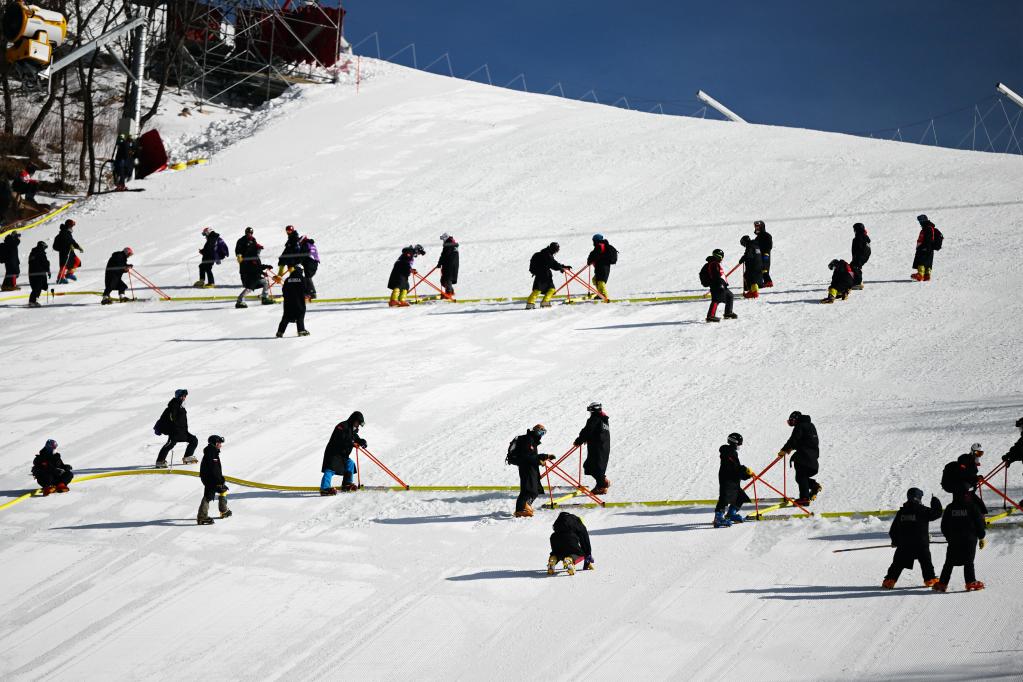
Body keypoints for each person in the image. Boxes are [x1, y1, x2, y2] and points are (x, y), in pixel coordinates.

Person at [881, 488, 943, 589]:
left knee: (897, 563)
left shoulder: (902, 512)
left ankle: (889, 581)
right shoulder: (923, 510)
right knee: (926, 562)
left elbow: (893, 530)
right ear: (919, 498)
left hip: (904, 544)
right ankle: (930, 579)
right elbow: (937, 513)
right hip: (921, 544)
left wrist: (895, 541)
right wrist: (935, 501)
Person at [934, 494, 987, 592]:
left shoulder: (950, 507)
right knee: (969, 561)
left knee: (949, 562)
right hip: (969, 539)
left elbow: (944, 525)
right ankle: (970, 582)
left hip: (954, 539)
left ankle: (942, 583)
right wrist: (981, 537)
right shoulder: (973, 507)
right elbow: (979, 524)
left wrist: (949, 537)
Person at [509, 424, 556, 517]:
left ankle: (524, 507)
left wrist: (546, 456)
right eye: (540, 432)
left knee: (532, 489)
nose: (541, 435)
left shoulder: (532, 440)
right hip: (526, 467)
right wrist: (539, 461)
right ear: (534, 430)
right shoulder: (528, 440)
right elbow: (526, 456)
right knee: (529, 489)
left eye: (543, 433)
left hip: (529, 466)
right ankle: (521, 509)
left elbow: (531, 455)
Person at [777, 411, 821, 505]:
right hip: (812, 458)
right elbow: (805, 441)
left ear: (796, 419)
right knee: (801, 478)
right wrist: (792, 448)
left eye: (792, 421)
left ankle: (804, 498)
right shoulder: (810, 425)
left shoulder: (800, 426)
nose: (792, 423)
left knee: (801, 477)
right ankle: (814, 486)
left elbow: (794, 439)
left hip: (804, 457)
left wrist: (785, 449)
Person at [321, 411, 367, 495]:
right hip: (333, 453)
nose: (358, 425)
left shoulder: (353, 430)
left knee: (350, 464)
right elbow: (341, 438)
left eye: (359, 424)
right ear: (353, 419)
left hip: (343, 455)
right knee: (330, 469)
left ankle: (347, 484)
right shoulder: (342, 426)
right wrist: (352, 443)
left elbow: (355, 438)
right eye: (357, 423)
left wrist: (361, 441)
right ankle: (325, 488)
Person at [714, 432, 753, 528]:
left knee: (740, 496)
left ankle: (731, 514)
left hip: (733, 480)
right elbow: (735, 467)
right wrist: (745, 471)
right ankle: (718, 518)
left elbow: (735, 468)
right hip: (727, 479)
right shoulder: (728, 452)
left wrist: (746, 474)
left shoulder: (731, 452)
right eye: (739, 443)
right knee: (725, 497)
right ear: (735, 442)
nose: (740, 445)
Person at [154, 389, 199, 467]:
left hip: (183, 431)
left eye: (185, 396)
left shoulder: (181, 406)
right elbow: (171, 418)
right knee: (169, 445)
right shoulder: (174, 405)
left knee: (193, 440)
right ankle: (160, 461)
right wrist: (174, 428)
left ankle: (187, 458)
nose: (184, 398)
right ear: (178, 396)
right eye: (183, 396)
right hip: (175, 432)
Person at [573, 402, 610, 494]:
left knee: (591, 466)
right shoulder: (604, 420)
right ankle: (602, 485)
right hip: (604, 447)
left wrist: (579, 440)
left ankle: (602, 484)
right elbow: (597, 432)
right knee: (597, 467)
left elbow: (588, 430)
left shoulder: (595, 418)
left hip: (597, 447)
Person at [940, 445, 988, 514]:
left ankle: (977, 510)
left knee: (967, 493)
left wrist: (976, 478)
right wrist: (975, 479)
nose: (979, 456)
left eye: (981, 453)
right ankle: (959, 510)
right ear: (972, 452)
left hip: (958, 483)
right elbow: (962, 473)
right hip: (951, 483)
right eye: (977, 453)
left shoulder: (972, 462)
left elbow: (968, 475)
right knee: (965, 492)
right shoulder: (965, 459)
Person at [197, 435, 232, 525]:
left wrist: (220, 480)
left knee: (222, 489)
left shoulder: (212, 451)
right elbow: (214, 469)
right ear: (215, 443)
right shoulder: (212, 452)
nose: (220, 445)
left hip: (210, 477)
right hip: (210, 478)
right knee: (209, 495)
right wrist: (219, 481)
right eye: (219, 443)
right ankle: (202, 517)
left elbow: (215, 469)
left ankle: (223, 510)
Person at [547, 511, 595, 575]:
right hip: (569, 538)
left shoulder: (560, 520)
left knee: (558, 553)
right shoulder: (578, 523)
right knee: (580, 553)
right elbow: (585, 539)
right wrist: (588, 554)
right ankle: (570, 559)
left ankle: (553, 559)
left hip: (554, 538)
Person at [526, 242, 570, 309]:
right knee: (539, 289)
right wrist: (560, 268)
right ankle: (530, 303)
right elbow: (553, 265)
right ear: (553, 249)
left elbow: (554, 263)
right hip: (542, 274)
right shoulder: (547, 254)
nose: (556, 252)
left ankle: (543, 302)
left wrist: (563, 266)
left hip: (544, 274)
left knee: (550, 289)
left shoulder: (547, 253)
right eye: (556, 250)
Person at [699, 248, 737, 322]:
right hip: (717, 285)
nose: (721, 259)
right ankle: (710, 316)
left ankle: (728, 313)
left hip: (721, 284)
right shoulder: (714, 264)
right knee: (716, 299)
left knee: (730, 296)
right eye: (720, 257)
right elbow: (715, 275)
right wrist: (720, 284)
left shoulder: (714, 263)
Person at [235, 241, 275, 309]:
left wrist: (265, 268)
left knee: (265, 282)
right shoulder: (251, 257)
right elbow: (254, 268)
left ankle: (264, 298)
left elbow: (257, 267)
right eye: (259, 249)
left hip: (255, 276)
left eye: (260, 249)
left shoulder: (255, 256)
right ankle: (239, 301)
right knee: (249, 288)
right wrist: (263, 270)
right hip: (250, 277)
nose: (259, 251)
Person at [276, 265, 310, 337]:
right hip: (299, 301)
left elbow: (283, 290)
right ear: (301, 271)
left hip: (288, 302)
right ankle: (301, 330)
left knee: (286, 317)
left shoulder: (288, 279)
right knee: (300, 315)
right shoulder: (302, 279)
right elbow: (306, 289)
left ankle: (280, 332)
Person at [585, 233, 618, 301]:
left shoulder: (600, 246)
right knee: (595, 280)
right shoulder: (604, 246)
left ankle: (604, 296)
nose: (593, 242)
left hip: (602, 267)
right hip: (603, 266)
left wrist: (589, 261)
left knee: (600, 281)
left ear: (596, 240)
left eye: (594, 240)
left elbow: (594, 255)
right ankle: (600, 294)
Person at [912, 214, 943, 282]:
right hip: (929, 248)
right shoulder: (929, 227)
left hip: (925, 247)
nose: (919, 222)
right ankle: (927, 275)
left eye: (920, 220)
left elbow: (928, 239)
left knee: (921, 261)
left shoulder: (928, 228)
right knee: (928, 261)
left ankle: (920, 275)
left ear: (923, 220)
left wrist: (924, 246)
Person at [53, 219, 83, 283]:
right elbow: (57, 246)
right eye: (72, 226)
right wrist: (66, 247)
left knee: (77, 261)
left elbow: (72, 241)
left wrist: (78, 247)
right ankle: (60, 278)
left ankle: (69, 274)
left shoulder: (68, 233)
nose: (72, 228)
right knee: (64, 265)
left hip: (70, 252)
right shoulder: (63, 233)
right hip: (65, 253)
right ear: (69, 226)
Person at [27, 240, 49, 308]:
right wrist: (48, 270)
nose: (45, 249)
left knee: (35, 287)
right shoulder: (41, 253)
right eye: (45, 247)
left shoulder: (32, 253)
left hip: (31, 273)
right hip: (39, 273)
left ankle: (33, 301)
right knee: (37, 287)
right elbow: (45, 263)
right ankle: (32, 301)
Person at [437, 233, 459, 299]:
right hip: (453, 264)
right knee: (446, 279)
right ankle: (450, 291)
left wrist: (439, 263)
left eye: (443, 239)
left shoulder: (448, 244)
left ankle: (448, 293)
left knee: (447, 278)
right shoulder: (452, 243)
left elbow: (444, 255)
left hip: (449, 264)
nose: (443, 241)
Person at [850, 222, 871, 290]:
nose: (854, 231)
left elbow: (858, 246)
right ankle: (858, 281)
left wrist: (856, 256)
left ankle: (857, 283)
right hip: (865, 255)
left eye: (854, 229)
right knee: (855, 266)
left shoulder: (859, 236)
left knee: (854, 266)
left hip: (861, 255)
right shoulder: (865, 236)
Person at [753, 220, 773, 288]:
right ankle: (761, 282)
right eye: (756, 227)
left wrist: (766, 253)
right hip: (759, 255)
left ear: (762, 227)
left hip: (765, 254)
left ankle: (768, 282)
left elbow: (769, 245)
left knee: (764, 268)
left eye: (758, 227)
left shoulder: (767, 235)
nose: (757, 228)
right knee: (759, 268)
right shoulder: (757, 238)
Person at [299, 235, 319, 299]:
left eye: (300, 242)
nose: (300, 243)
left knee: (307, 277)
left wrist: (297, 261)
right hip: (314, 262)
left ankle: (312, 293)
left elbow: (303, 255)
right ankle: (308, 292)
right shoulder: (311, 244)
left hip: (310, 262)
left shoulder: (305, 244)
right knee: (307, 277)